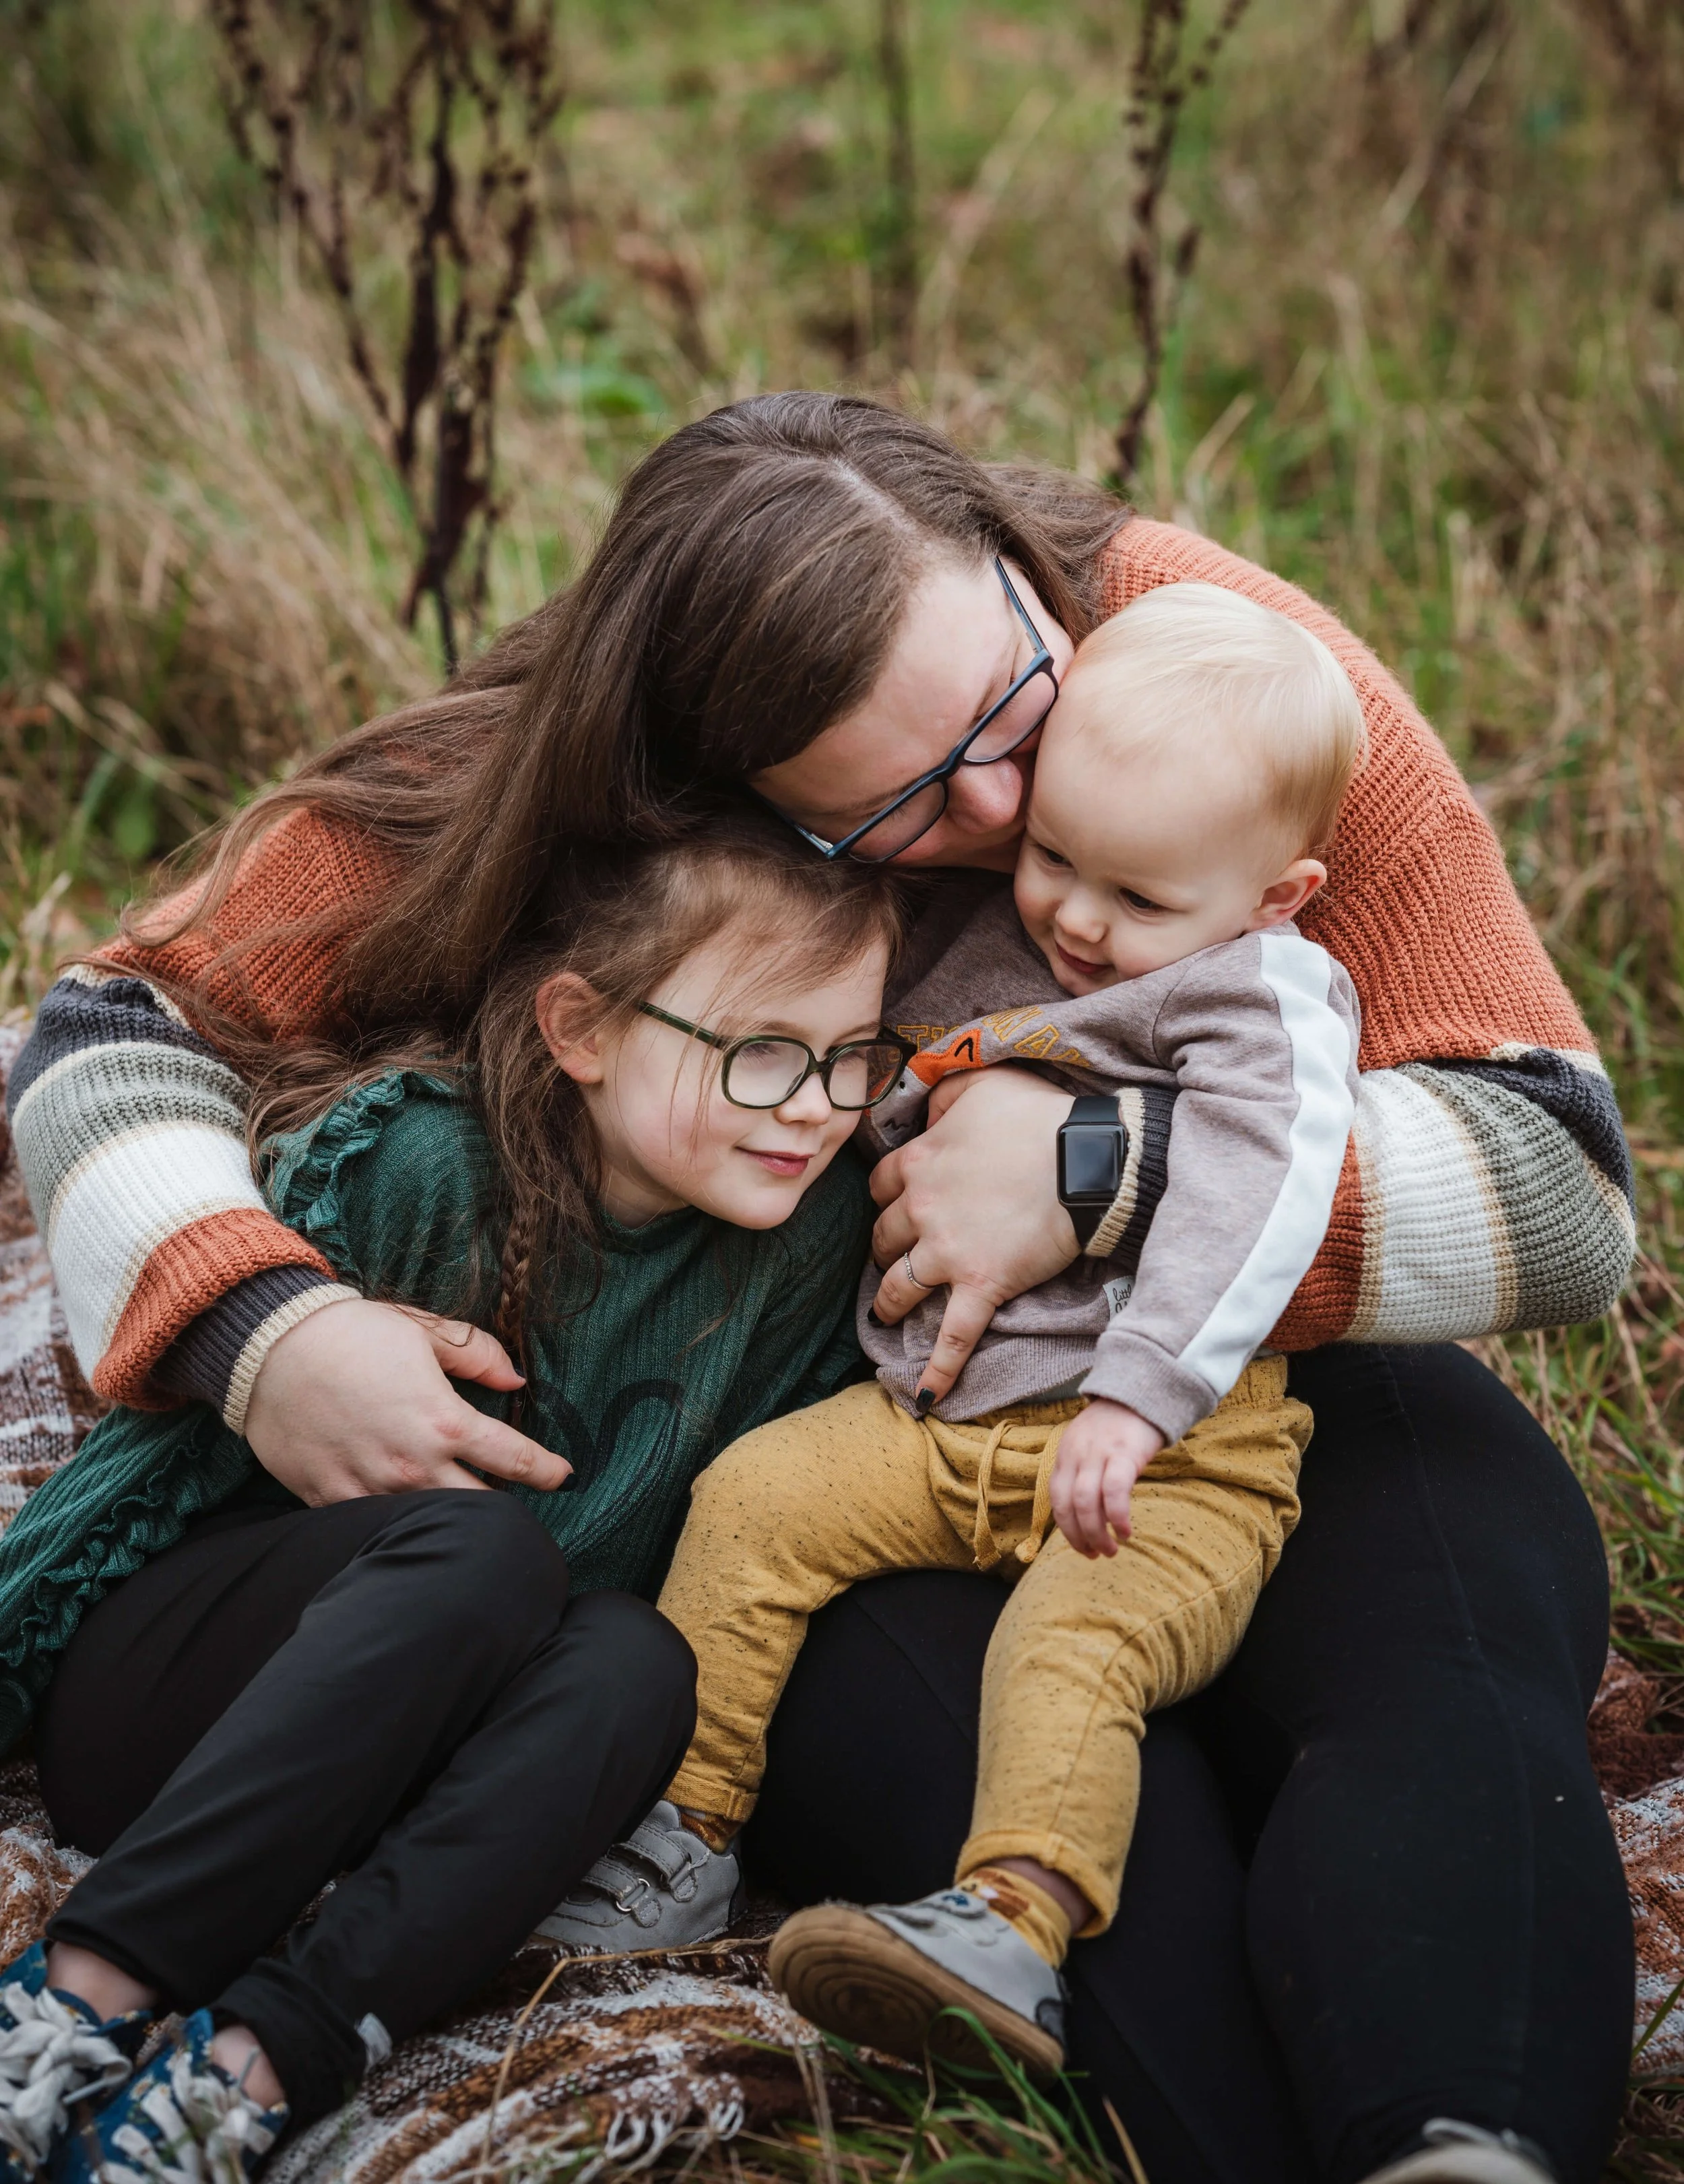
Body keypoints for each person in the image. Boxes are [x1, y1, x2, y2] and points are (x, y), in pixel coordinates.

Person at [5, 394, 1635, 2184]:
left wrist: (1098, 1175)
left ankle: (1460, 2144)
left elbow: (1558, 1182)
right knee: (1059, 1787)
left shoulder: (1203, 661)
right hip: (882, 1424)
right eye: (921, 805)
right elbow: (108, 1030)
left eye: (1015, 706)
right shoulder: (597, 771)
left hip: (1253, 1348)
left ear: (1014, 568)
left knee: (1444, 1637)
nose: (1016, 809)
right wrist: (264, 1328)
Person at [544, 582, 1363, 2086]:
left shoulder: (1259, 1000)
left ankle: (1011, 1923)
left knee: (1067, 1650)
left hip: (1170, 1459)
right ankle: (684, 1832)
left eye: (1139, 899)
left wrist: (1136, 1393)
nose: (1075, 918)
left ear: (1274, 897)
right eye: (1052, 855)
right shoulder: (994, 937)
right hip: (940, 1416)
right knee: (752, 1506)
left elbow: (1262, 1198)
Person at [0, 823, 904, 2179]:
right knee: (486, 1553)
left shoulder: (811, 1246)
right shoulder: (429, 1166)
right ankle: (73, 2004)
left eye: (853, 1057)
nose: (815, 1104)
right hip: (186, 1699)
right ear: (583, 1030)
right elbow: (152, 1467)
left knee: (639, 1659)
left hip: (419, 1769)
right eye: (761, 1051)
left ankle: (235, 2083)